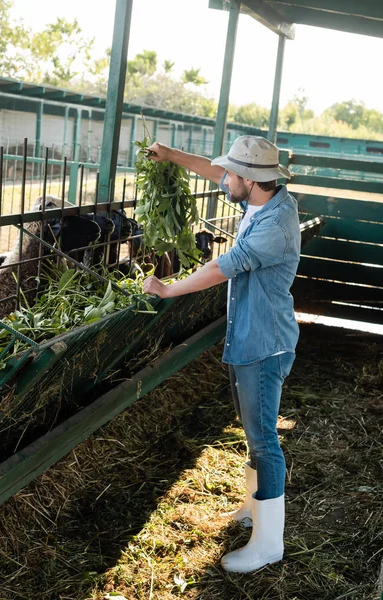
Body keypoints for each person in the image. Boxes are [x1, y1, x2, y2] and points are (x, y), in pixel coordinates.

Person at [143, 135, 301, 574]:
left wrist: (169, 289)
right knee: (255, 432)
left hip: (263, 346)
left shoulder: (274, 226)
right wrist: (171, 156)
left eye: (232, 172)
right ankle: (255, 506)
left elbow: (222, 266)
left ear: (251, 179)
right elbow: (216, 173)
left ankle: (269, 543)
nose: (223, 178)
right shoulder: (261, 198)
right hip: (250, 337)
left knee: (265, 439)